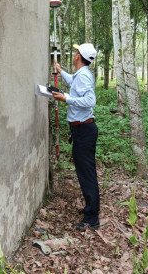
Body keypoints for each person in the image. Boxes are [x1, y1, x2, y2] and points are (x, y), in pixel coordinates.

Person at [52, 43, 100, 230]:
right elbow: (74, 83)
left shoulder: (85, 76)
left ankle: (92, 217)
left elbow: (90, 101)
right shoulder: (81, 75)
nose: (73, 54)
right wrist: (61, 71)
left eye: (75, 52)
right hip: (81, 130)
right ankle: (90, 209)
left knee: (86, 173)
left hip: (84, 131)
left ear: (78, 56)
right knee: (84, 171)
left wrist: (66, 99)